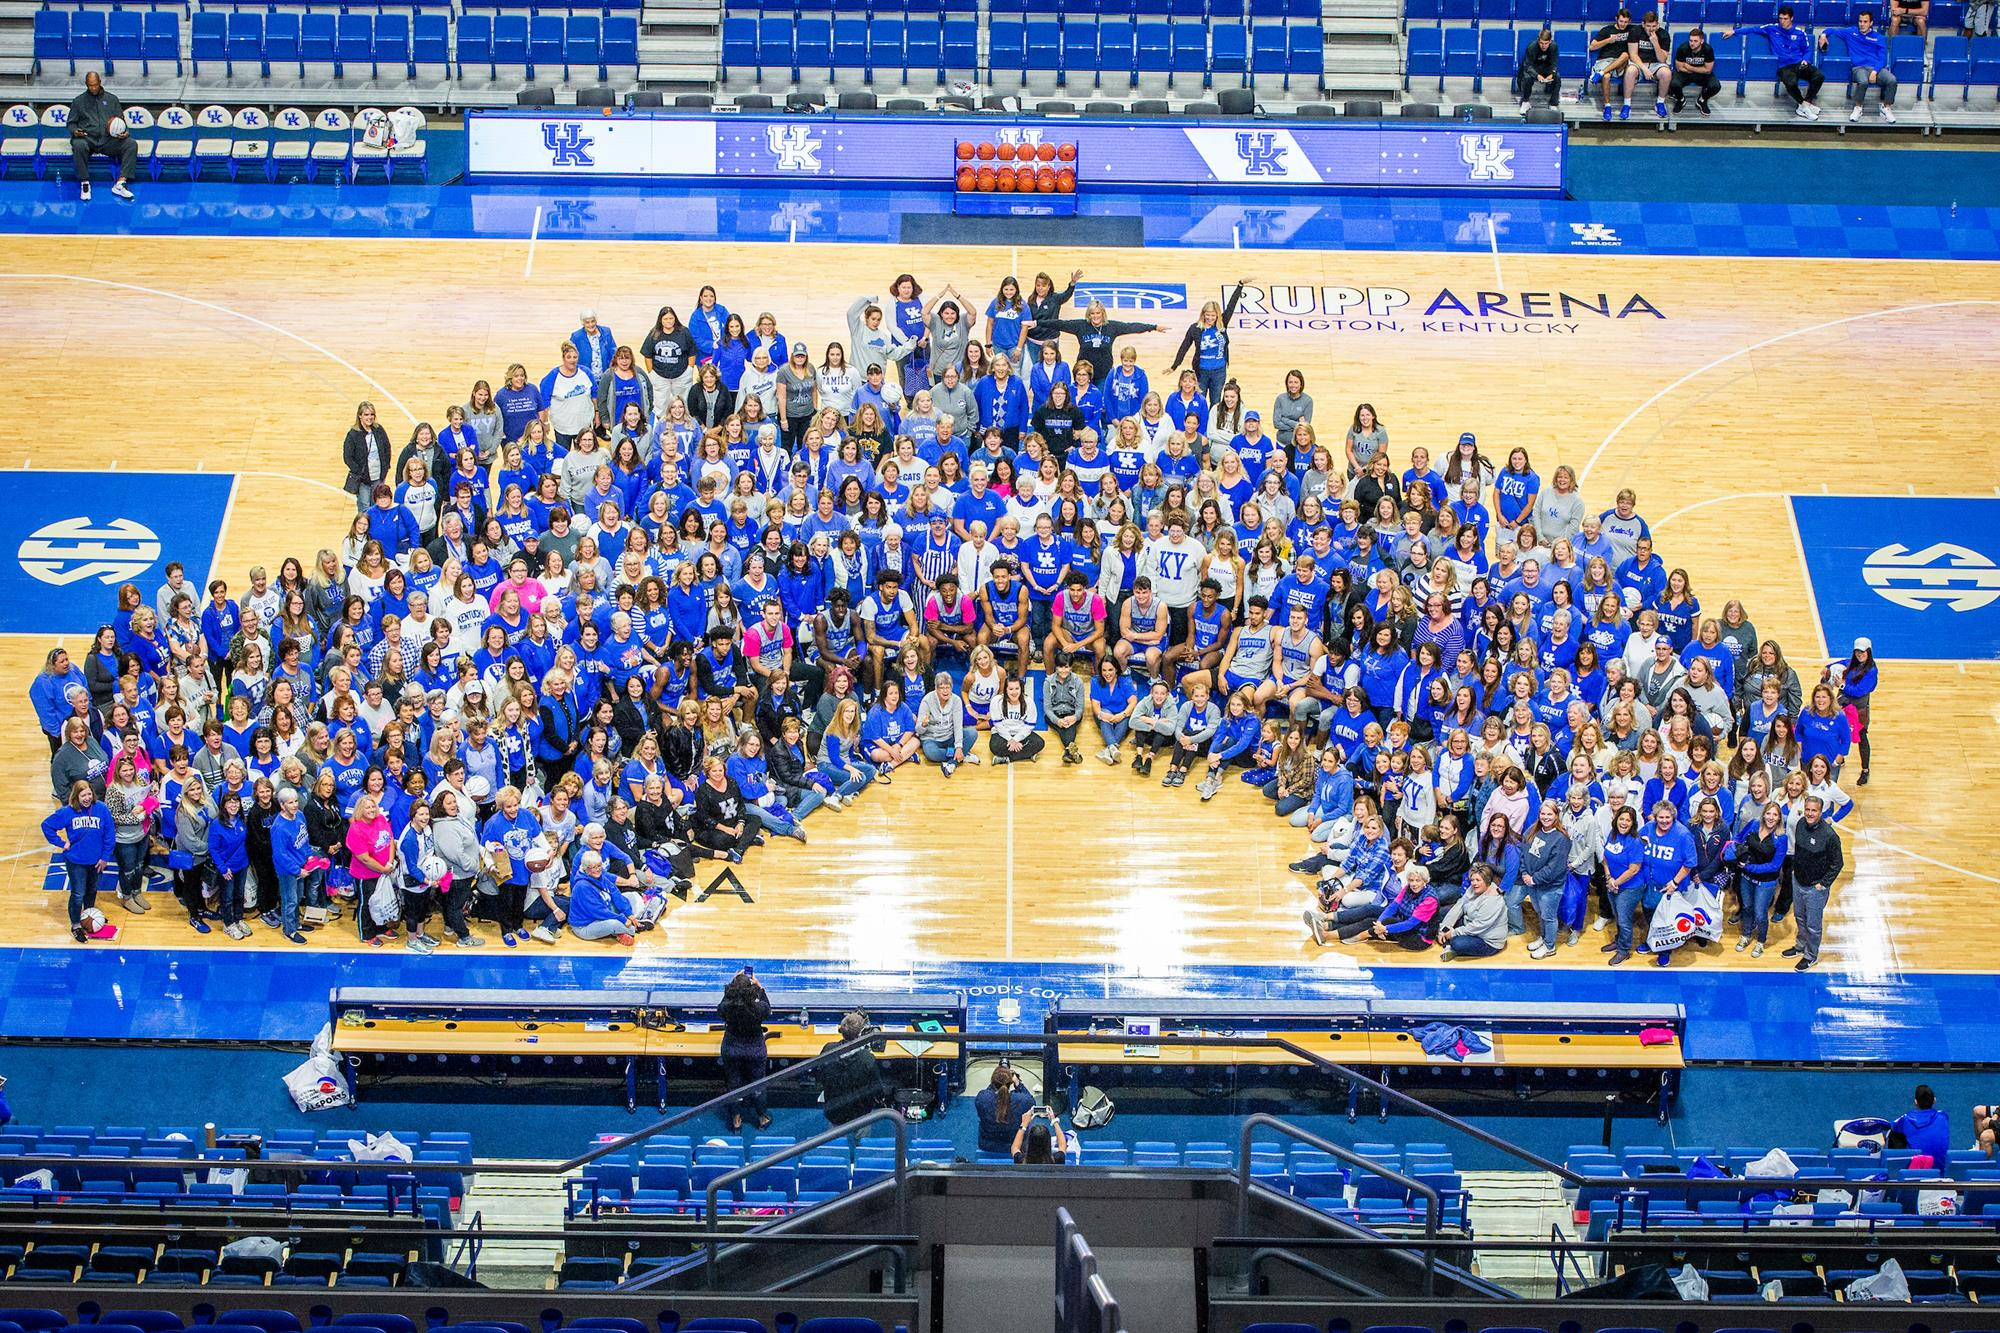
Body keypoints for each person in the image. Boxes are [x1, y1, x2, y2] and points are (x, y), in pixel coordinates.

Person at [43, 780, 113, 943]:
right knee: (78, 893)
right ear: (76, 796)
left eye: (89, 794)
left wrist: (105, 857)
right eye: (83, 795)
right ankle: (75, 925)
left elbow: (109, 833)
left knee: (92, 890)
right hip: (76, 861)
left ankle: (88, 916)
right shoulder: (67, 812)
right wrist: (61, 843)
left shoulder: (101, 809)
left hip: (97, 861)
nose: (87, 798)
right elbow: (46, 825)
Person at [1726, 6, 1823, 118]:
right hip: (1784, 66)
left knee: (1819, 76)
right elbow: (1753, 29)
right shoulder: (1772, 28)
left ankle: (1806, 103)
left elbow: (1807, 50)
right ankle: (1803, 106)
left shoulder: (1800, 33)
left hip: (1799, 63)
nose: (1782, 21)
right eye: (1780, 18)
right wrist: (1734, 31)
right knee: (1791, 83)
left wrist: (1806, 60)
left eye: (1785, 19)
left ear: (1792, 18)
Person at [1787, 793, 1843, 971]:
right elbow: (1798, 849)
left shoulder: (1829, 835)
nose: (1810, 813)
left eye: (1814, 811)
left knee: (1813, 925)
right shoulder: (1801, 824)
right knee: (1799, 917)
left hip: (1815, 888)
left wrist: (1823, 884)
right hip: (1799, 881)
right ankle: (1800, 946)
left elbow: (1837, 864)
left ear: (1821, 811)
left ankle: (1811, 956)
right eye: (1807, 810)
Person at [67, 72, 138, 201]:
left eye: (95, 85)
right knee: (78, 144)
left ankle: (120, 184)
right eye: (90, 86)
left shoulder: (112, 99)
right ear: (86, 85)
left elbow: (121, 121)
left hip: (108, 140)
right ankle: (85, 183)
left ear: (100, 82)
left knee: (131, 143)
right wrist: (75, 131)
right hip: (88, 139)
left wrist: (125, 131)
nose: (93, 88)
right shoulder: (78, 101)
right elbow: (71, 123)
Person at [717, 967, 773, 1132]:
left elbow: (720, 1008)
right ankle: (762, 1117)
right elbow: (767, 1008)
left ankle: (736, 1119)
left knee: (733, 1082)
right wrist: (760, 988)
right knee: (758, 1084)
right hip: (754, 1048)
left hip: (732, 1047)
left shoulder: (727, 1006)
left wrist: (732, 988)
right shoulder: (757, 1008)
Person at [815, 1011, 890, 1129]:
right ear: (860, 1033)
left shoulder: (828, 1049)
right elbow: (877, 1089)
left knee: (835, 1143)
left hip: (834, 1112)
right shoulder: (867, 1058)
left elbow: (819, 1076)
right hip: (860, 1116)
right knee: (862, 1143)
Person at [1821, 10, 1897, 121]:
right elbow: (1831, 30)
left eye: (1865, 21)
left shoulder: (1879, 38)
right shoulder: (1851, 32)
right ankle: (1858, 107)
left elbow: (1883, 59)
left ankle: (1886, 107)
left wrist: (1875, 71)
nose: (1862, 24)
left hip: (1877, 68)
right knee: (1863, 81)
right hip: (1858, 67)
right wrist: (1823, 35)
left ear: (1871, 23)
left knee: (1892, 80)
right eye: (1860, 21)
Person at [1437, 861, 1509, 961]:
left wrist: (1453, 933)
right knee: (1444, 912)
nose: (1474, 883)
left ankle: (1450, 946)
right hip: (1471, 924)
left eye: (1478, 880)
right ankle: (1448, 944)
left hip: (1487, 940)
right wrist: (1444, 929)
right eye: (1472, 880)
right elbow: (1459, 906)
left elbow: (1479, 926)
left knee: (1457, 943)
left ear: (1487, 881)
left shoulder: (1493, 900)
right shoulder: (1472, 889)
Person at [1620, 11, 1673, 120]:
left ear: (1658, 25)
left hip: (1656, 64)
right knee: (1630, 71)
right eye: (1648, 26)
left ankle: (1660, 103)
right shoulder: (1635, 31)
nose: (1651, 29)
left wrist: (1655, 43)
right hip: (1639, 63)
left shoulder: (1663, 35)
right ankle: (1626, 104)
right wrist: (1644, 69)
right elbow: (1633, 55)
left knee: (1666, 73)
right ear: (1643, 24)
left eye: (1654, 26)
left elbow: (1662, 59)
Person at [975, 1063, 1036, 1156]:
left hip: (987, 1144)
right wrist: (1018, 1084)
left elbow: (988, 1092)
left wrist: (996, 1081)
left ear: (992, 1081)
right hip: (1016, 1145)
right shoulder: (1023, 1100)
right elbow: (1031, 1102)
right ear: (1010, 1082)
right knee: (1028, 1121)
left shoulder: (982, 1098)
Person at [1891, 1085, 1952, 1162]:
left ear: (1915, 1102)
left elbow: (1893, 1126)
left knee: (1894, 1133)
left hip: (1915, 1170)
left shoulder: (1906, 1118)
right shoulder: (1943, 1116)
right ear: (1934, 1100)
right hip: (1940, 1171)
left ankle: (1898, 1164)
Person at [1669, 27, 1722, 114]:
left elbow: (1708, 70)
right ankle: (1681, 100)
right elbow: (1679, 67)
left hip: (1701, 75)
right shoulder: (1683, 48)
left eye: (1695, 41)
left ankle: (1702, 100)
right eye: (1691, 40)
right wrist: (1695, 70)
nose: (1692, 43)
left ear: (1701, 41)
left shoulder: (1708, 50)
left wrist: (1690, 68)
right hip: (1686, 73)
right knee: (1674, 84)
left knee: (1716, 86)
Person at [1515, 26, 1563, 110]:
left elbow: (1554, 63)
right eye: (1541, 43)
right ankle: (1525, 101)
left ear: (1550, 41)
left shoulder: (1554, 47)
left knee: (1557, 77)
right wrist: (1537, 75)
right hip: (1534, 68)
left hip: (1546, 69)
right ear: (1538, 40)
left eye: (1546, 43)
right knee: (1527, 77)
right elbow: (1527, 65)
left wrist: (1552, 74)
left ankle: (1553, 103)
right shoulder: (1531, 47)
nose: (1543, 46)